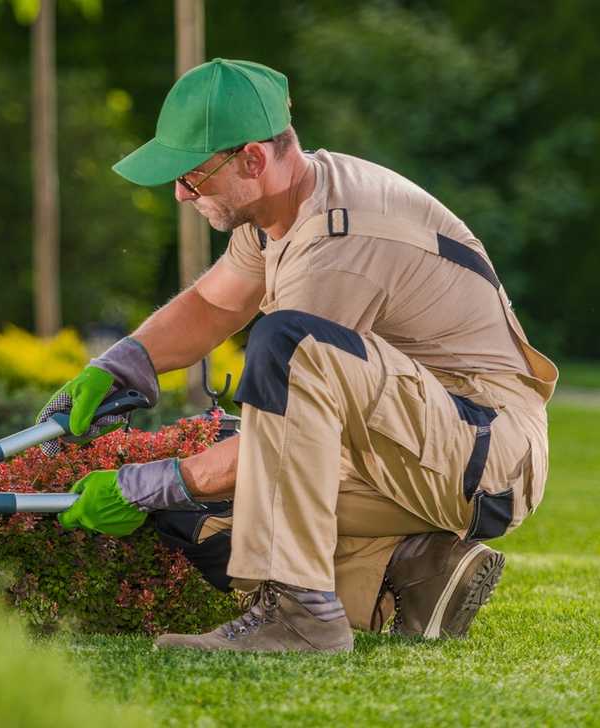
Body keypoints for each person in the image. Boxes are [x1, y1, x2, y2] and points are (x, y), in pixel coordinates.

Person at [38, 59, 557, 653]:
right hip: (413, 447)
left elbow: (279, 430)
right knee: (199, 500)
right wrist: (123, 364)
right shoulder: (280, 209)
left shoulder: (339, 243)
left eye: (192, 176)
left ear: (253, 159)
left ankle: (303, 614)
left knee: (278, 361)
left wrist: (150, 482)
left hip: (481, 451)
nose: (180, 193)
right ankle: (416, 571)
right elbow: (214, 304)